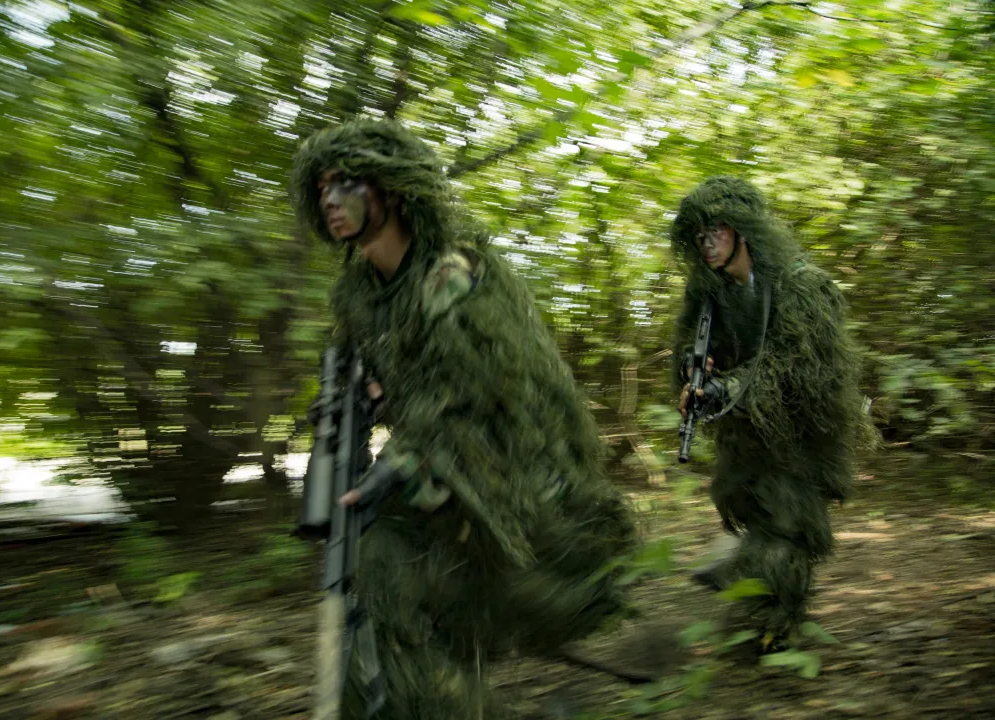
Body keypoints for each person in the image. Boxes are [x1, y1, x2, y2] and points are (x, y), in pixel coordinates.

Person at [291, 118, 639, 719]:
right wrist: (358, 404)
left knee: (501, 600)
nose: (330, 199)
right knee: (381, 584)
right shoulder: (359, 295)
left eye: (346, 182)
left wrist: (397, 462)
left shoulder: (453, 273)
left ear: (393, 190)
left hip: (511, 481)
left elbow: (477, 393)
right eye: (321, 188)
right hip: (440, 483)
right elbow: (376, 378)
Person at [669, 176, 867, 650]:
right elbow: (689, 348)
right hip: (749, 434)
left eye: (717, 230)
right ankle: (748, 584)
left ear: (744, 231)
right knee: (752, 508)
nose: (707, 243)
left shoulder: (802, 285)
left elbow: (800, 369)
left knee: (788, 526)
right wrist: (694, 373)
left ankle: (775, 630)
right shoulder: (710, 294)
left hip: (803, 432)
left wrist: (728, 387)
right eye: (699, 235)